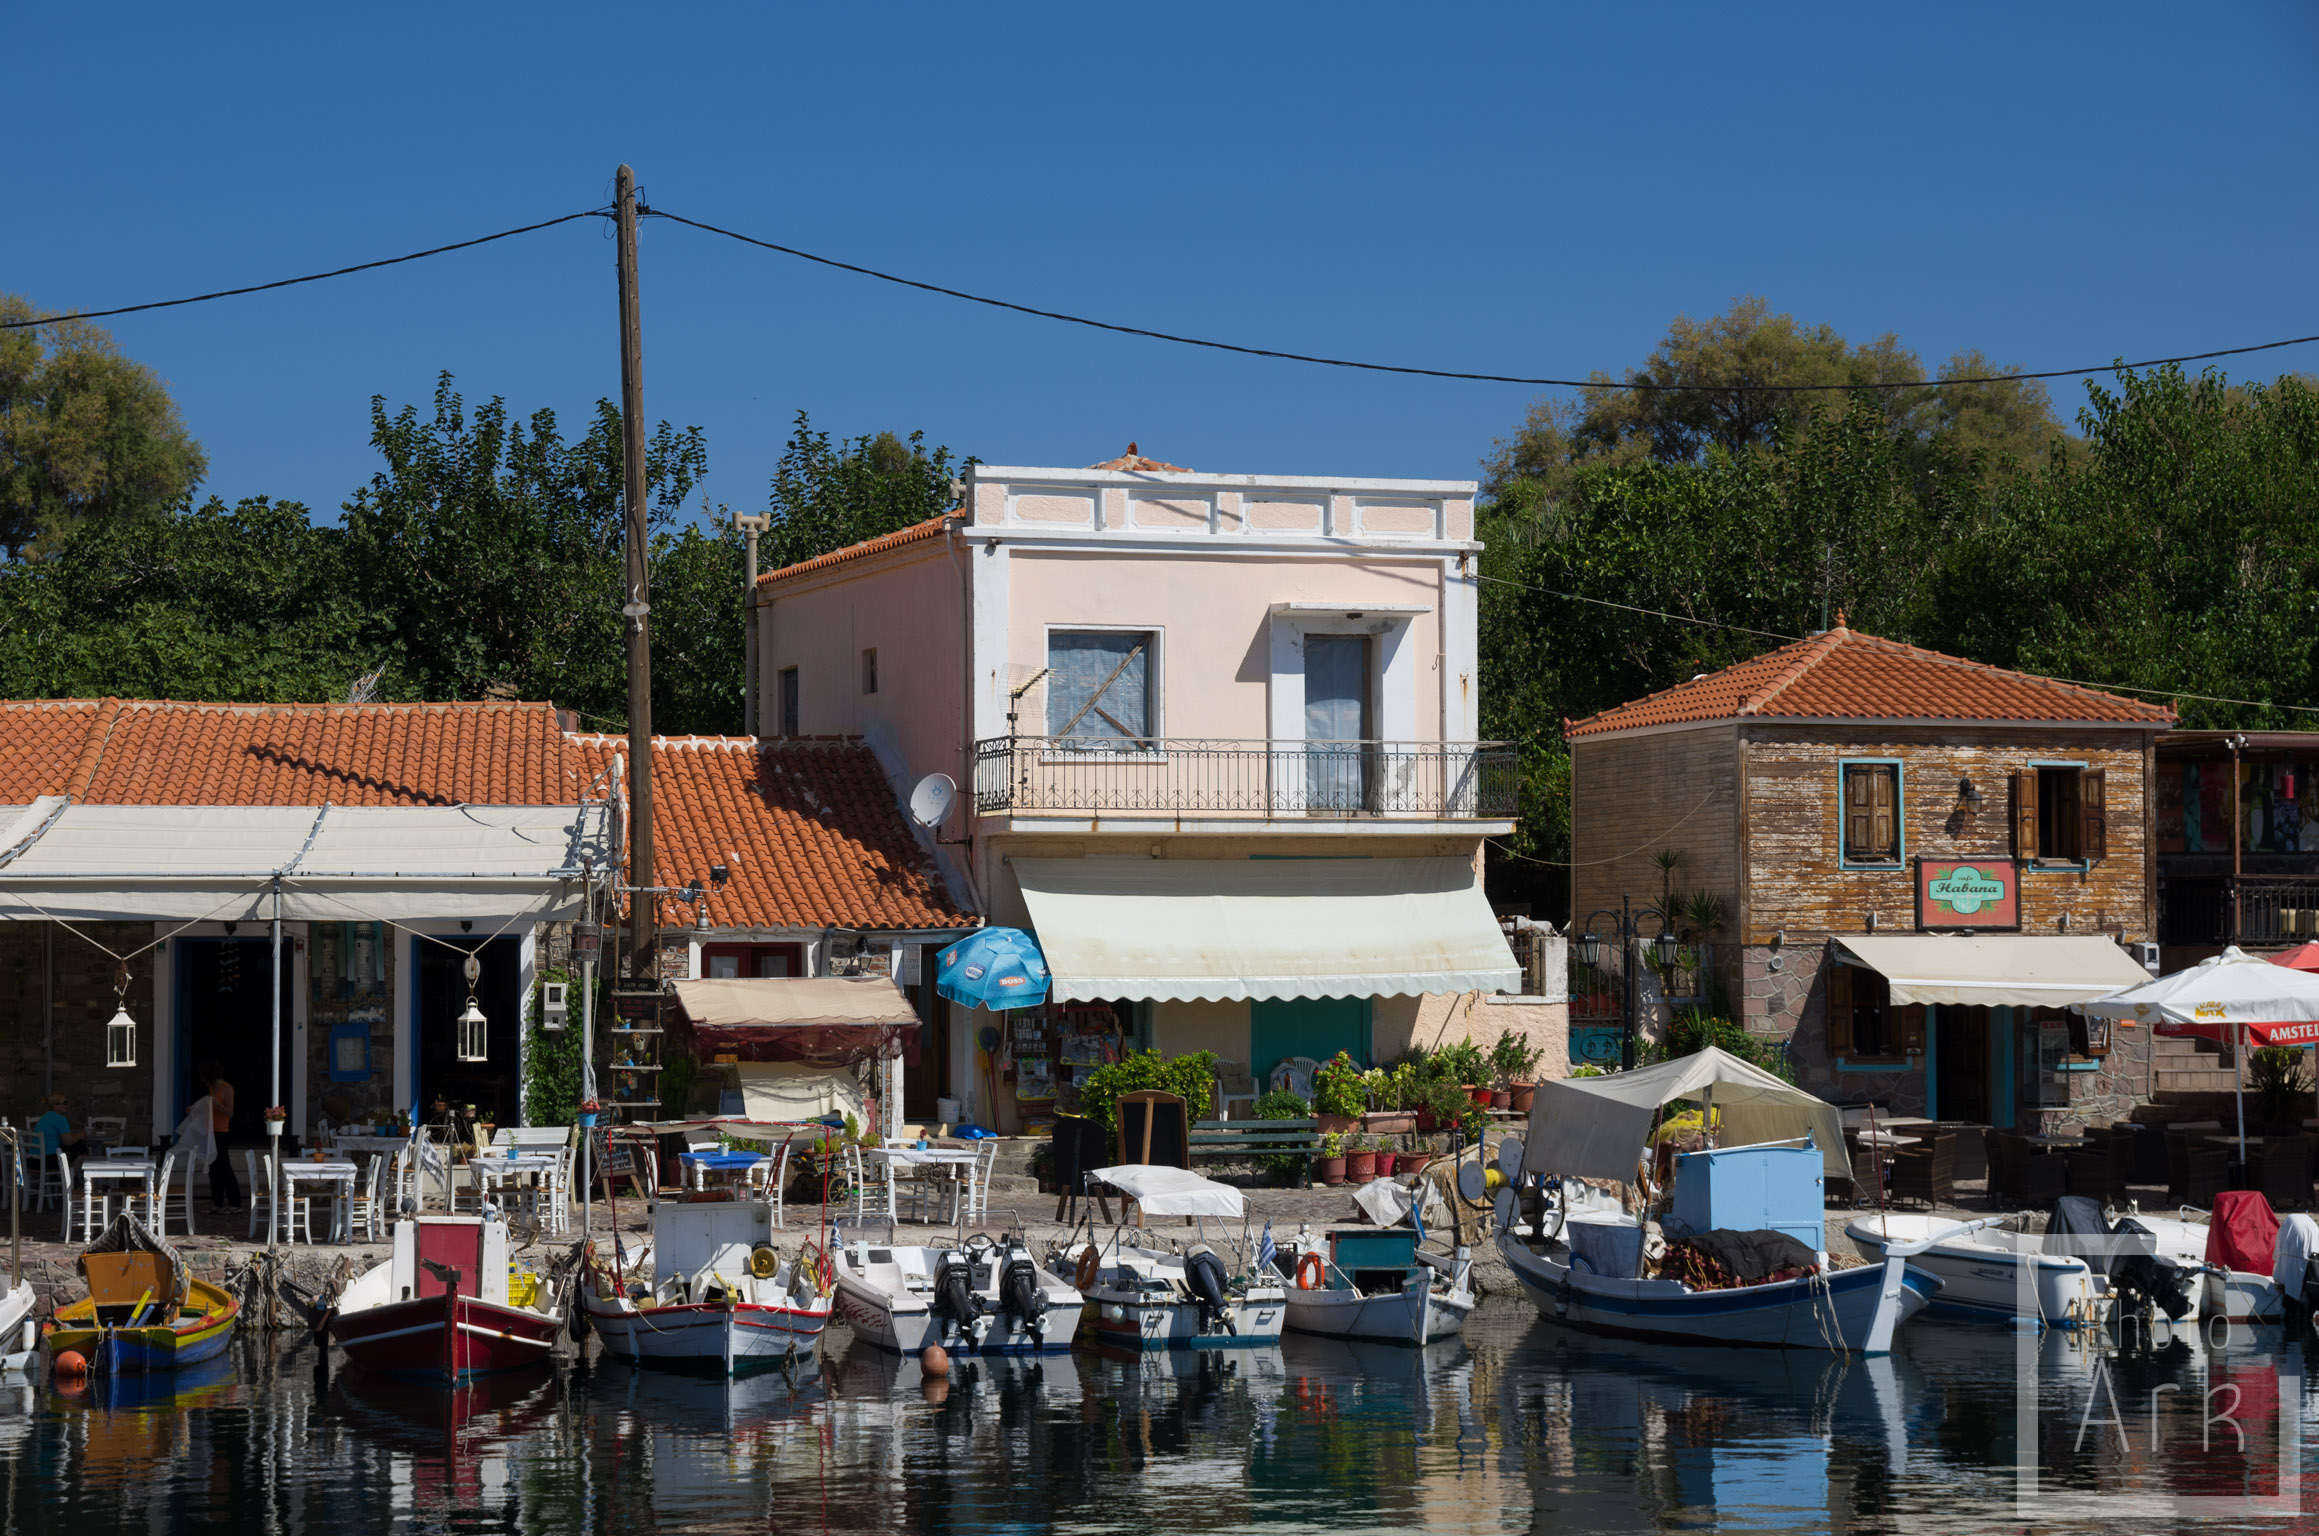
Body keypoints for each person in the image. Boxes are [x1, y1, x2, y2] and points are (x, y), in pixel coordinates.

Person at [200, 1061, 241, 1213]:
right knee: (212, 1168)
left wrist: (217, 1105)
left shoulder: (227, 1088)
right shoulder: (211, 1088)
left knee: (224, 1167)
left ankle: (235, 1202)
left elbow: (230, 1112)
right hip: (210, 1132)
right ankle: (217, 1202)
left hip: (222, 1132)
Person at [31, 1093, 83, 1160]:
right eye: (64, 1103)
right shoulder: (60, 1119)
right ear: (55, 1106)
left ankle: (71, 1170)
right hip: (48, 1159)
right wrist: (80, 1135)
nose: (66, 1105)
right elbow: (69, 1142)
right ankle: (72, 1170)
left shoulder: (44, 1117)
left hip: (33, 1159)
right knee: (81, 1146)